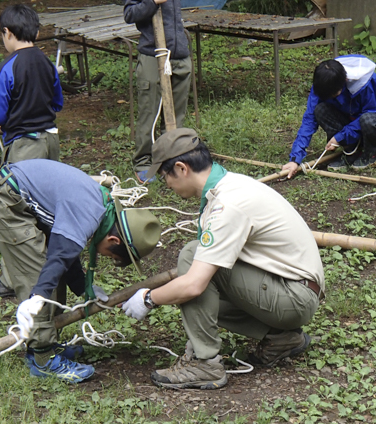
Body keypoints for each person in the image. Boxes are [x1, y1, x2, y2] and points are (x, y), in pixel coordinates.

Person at [121, 128, 325, 390]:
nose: (167, 186)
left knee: (192, 257)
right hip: (292, 290)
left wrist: (148, 299)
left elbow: (194, 285)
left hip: (293, 296)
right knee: (198, 288)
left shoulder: (227, 205)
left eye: (165, 177)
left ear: (182, 168)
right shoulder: (228, 186)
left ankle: (205, 364)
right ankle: (281, 337)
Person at [0, 159, 161, 383]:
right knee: (40, 274)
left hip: (21, 193)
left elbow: (66, 251)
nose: (108, 258)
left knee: (52, 274)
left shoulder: (99, 209)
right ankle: (44, 360)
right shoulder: (88, 214)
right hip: (8, 198)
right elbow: (59, 257)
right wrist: (36, 297)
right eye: (112, 256)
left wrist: (82, 287)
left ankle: (43, 345)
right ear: (114, 239)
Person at [0, 4, 64, 298]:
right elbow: (57, 103)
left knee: (14, 210)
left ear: (7, 32)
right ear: (37, 32)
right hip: (50, 141)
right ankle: (55, 265)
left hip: (24, 147)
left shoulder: (6, 67)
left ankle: (13, 279)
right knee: (46, 207)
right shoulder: (46, 63)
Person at [124, 0, 192, 183]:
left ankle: (171, 158)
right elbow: (130, 13)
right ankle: (144, 162)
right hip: (153, 55)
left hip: (178, 56)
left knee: (176, 116)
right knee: (150, 113)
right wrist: (152, 1)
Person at [282, 55, 376, 177]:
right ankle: (350, 150)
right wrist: (295, 159)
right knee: (320, 110)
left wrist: (340, 136)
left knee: (367, 119)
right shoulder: (322, 83)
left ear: (344, 82)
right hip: (350, 121)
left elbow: (371, 113)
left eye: (334, 95)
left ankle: (371, 153)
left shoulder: (364, 83)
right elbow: (309, 121)